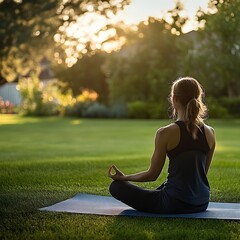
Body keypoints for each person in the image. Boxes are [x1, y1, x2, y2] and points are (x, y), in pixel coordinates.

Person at [108, 77, 216, 214]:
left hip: (174, 203)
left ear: (174, 99)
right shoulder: (210, 133)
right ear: (198, 97)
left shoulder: (165, 133)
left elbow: (151, 175)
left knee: (116, 187)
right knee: (164, 187)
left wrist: (123, 178)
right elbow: (201, 175)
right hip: (201, 202)